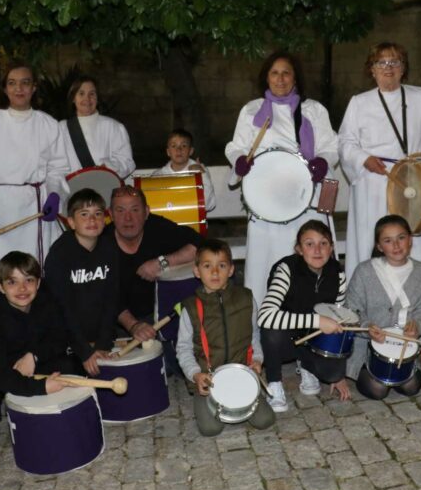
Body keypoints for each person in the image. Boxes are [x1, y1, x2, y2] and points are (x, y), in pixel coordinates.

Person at [225, 50, 339, 306]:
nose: (280, 79)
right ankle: (264, 322)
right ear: (266, 78)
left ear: (295, 77)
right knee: (266, 266)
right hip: (267, 205)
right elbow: (235, 146)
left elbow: (330, 145)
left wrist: (322, 161)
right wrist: (240, 160)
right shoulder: (252, 110)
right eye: (274, 73)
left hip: (306, 201)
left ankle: (315, 317)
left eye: (286, 72)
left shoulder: (313, 110)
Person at [0, 63, 70, 323]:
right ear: (4, 88)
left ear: (34, 87)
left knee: (31, 275)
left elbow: (58, 168)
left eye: (25, 82)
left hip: (33, 211)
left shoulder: (48, 124)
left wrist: (54, 194)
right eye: (12, 83)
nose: (19, 88)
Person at [338, 41, 421, 277]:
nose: (388, 68)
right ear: (372, 69)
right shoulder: (360, 102)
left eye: (394, 62)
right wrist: (364, 158)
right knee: (373, 239)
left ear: (403, 67)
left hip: (414, 183)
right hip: (374, 182)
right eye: (381, 62)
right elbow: (346, 143)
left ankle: (415, 300)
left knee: (415, 244)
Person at [0, 252, 72, 437]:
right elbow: (1, 376)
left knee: (72, 367)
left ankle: (20, 388)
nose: (22, 288)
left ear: (38, 283)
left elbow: (60, 338)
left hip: (25, 362)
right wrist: (42, 388)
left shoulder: (47, 304)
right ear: (0, 287)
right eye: (12, 282)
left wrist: (34, 355)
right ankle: (0, 400)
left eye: (29, 280)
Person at [176, 239, 274, 436]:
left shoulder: (246, 299)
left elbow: (254, 334)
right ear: (197, 271)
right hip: (209, 379)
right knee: (211, 429)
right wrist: (196, 375)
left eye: (221, 265)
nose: (214, 272)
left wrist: (257, 360)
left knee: (265, 421)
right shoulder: (190, 308)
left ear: (230, 270)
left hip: (241, 374)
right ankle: (201, 398)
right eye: (207, 266)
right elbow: (183, 348)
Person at [258, 220, 350, 411]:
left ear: (332, 248)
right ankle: (274, 383)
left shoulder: (337, 273)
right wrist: (318, 320)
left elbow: (339, 319)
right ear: (299, 249)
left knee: (332, 371)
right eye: (309, 244)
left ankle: (307, 365)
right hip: (286, 337)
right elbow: (264, 316)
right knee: (271, 331)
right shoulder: (286, 269)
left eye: (323, 243)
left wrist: (338, 374)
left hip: (313, 338)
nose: (317, 250)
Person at [345, 215, 421, 400]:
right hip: (368, 344)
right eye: (388, 240)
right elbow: (351, 310)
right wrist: (368, 328)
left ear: (410, 240)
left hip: (403, 347)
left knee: (412, 387)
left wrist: (417, 325)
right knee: (377, 390)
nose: (396, 245)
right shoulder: (364, 271)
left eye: (401, 238)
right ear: (379, 246)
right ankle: (364, 370)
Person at [105, 186, 201, 344]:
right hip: (115, 321)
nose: (128, 218)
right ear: (111, 214)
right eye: (120, 210)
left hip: (158, 316)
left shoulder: (157, 227)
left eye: (135, 210)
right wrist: (134, 326)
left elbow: (200, 244)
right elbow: (107, 297)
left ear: (146, 212)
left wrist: (162, 262)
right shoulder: (102, 243)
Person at [43, 189, 120, 376]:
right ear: (71, 222)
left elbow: (112, 300)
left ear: (105, 219)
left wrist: (102, 344)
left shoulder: (110, 249)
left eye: (98, 214)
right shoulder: (59, 255)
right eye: (84, 215)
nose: (92, 220)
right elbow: (61, 308)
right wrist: (85, 351)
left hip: (98, 336)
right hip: (67, 337)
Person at [57, 75, 135, 179]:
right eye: (81, 93)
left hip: (104, 189)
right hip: (72, 191)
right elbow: (54, 164)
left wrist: (107, 169)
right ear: (73, 98)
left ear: (97, 98)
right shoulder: (61, 129)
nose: (87, 99)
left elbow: (127, 162)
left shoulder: (114, 127)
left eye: (92, 94)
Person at [154, 128, 216, 211]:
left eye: (183, 146)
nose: (178, 149)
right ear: (168, 152)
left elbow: (209, 205)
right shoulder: (159, 175)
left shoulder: (200, 171)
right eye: (173, 146)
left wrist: (202, 174)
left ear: (191, 151)